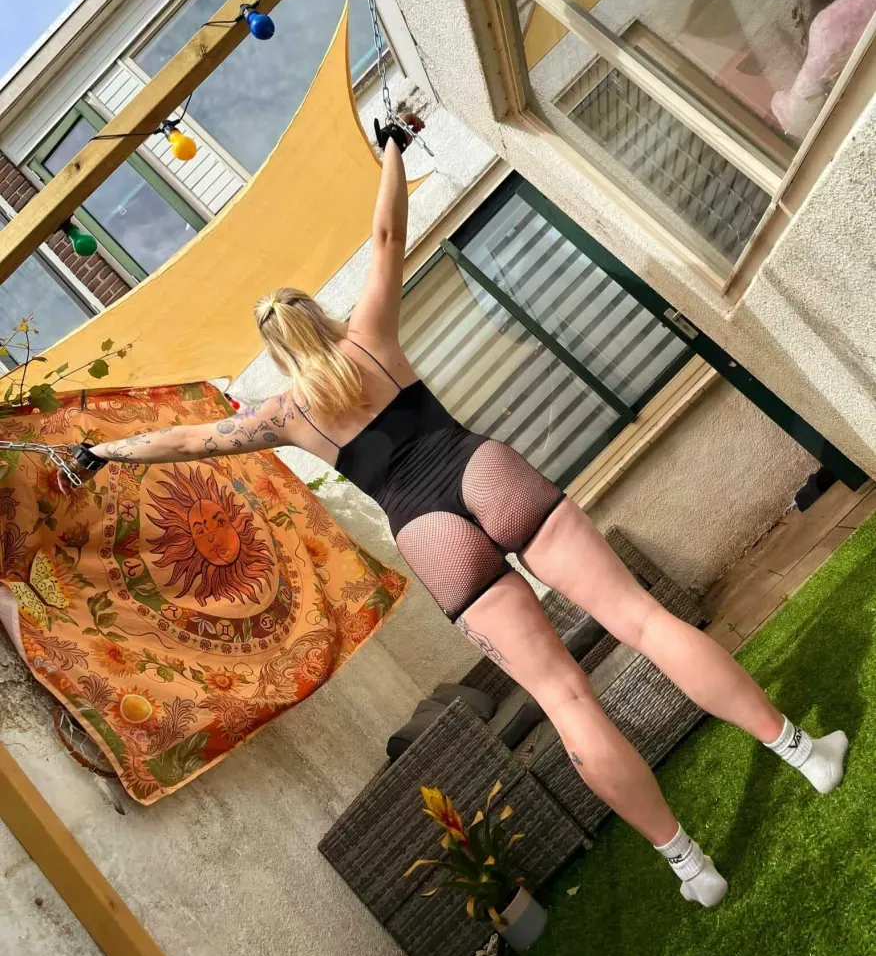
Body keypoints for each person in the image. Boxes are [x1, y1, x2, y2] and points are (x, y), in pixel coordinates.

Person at [65, 113, 848, 906]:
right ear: (318, 317)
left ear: (277, 354)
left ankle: (689, 868)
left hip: (428, 533)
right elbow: (384, 237)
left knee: (564, 699)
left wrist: (104, 452)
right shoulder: (368, 339)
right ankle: (802, 752)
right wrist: (392, 146)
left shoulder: (282, 417)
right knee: (641, 622)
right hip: (481, 474)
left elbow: (190, 439)